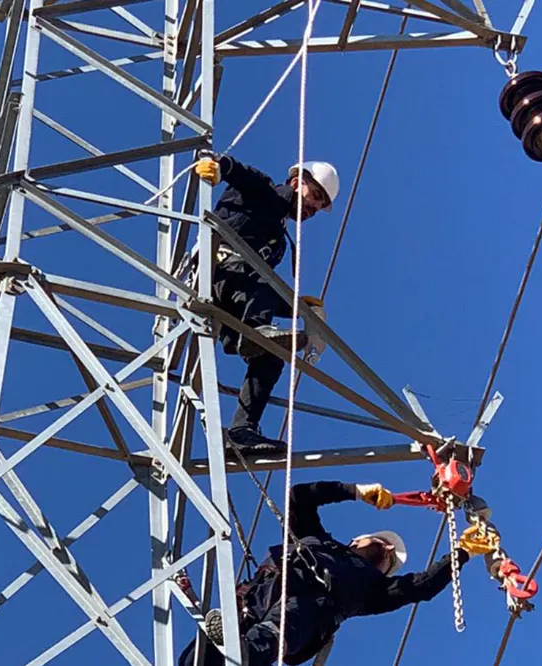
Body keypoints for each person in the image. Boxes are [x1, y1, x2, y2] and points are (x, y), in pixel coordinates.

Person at [176, 480, 493, 666]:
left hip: (300, 617)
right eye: (382, 543)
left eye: (390, 558)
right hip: (255, 598)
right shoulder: (315, 538)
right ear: (355, 540)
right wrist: (355, 491)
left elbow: (422, 586)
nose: (387, 551)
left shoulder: (374, 591)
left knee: (284, 622)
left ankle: (244, 651)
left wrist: (461, 552)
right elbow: (299, 497)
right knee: (200, 656)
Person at [193, 154, 340, 454]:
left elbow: (259, 292)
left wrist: (300, 308)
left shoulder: (279, 240)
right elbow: (240, 172)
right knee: (264, 277)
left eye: (319, 206)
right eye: (315, 196)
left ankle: (242, 432)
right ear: (297, 182)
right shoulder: (265, 191)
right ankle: (256, 331)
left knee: (271, 358)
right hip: (218, 269)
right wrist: (219, 167)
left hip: (236, 291)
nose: (313, 208)